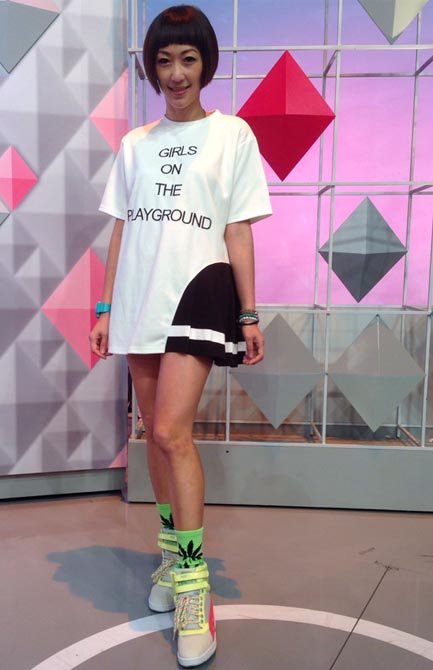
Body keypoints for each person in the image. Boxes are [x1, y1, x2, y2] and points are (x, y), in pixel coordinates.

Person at [90, 5, 271, 666]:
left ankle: (194, 590)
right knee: (154, 440)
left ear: (205, 64)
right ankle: (170, 559)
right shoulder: (135, 144)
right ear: (151, 68)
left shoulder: (232, 135)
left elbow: (237, 227)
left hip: (196, 292)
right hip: (139, 298)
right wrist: (106, 305)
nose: (175, 73)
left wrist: (248, 313)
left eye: (187, 59)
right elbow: (122, 227)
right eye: (164, 61)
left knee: (172, 433)